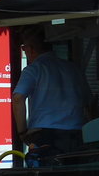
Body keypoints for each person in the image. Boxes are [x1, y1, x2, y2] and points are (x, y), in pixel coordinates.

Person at [12, 24, 91, 155]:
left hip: (45, 135)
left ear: (31, 49)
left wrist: (22, 133)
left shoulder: (34, 69)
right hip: (76, 135)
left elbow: (18, 98)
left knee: (48, 173)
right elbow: (88, 104)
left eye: (24, 49)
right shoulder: (73, 68)